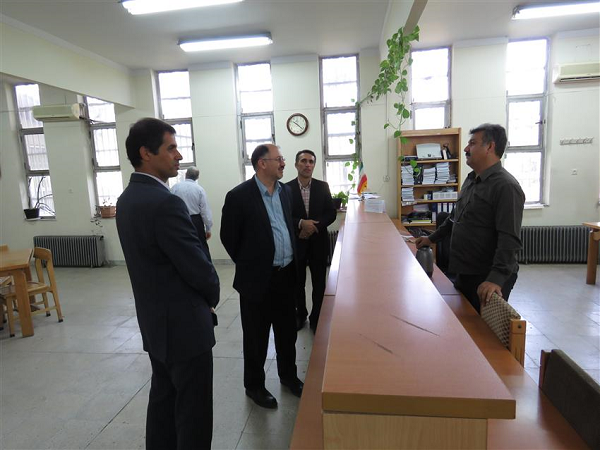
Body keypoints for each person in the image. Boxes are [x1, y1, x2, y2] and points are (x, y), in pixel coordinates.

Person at [116, 118, 220, 449]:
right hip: (185, 327)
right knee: (193, 412)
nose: (179, 155)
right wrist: (212, 294)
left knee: (163, 402)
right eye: (171, 148)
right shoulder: (165, 202)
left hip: (155, 323)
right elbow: (198, 268)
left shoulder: (127, 198)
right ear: (146, 153)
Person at [220, 143, 303, 409]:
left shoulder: (285, 191)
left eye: (283, 158)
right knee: (256, 337)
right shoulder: (239, 196)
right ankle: (254, 386)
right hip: (257, 280)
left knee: (287, 332)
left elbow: (286, 225)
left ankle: (288, 376)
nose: (283, 163)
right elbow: (228, 237)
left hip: (286, 275)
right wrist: (251, 264)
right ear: (262, 163)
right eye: (279, 159)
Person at [415, 123, 525, 314]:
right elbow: (454, 219)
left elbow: (509, 239)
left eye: (472, 143)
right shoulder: (472, 179)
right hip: (465, 270)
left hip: (486, 277)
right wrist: (430, 239)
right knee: (462, 321)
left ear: (490, 147)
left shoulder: (506, 186)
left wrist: (495, 279)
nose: (466, 149)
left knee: (479, 329)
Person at [286, 150, 336, 332]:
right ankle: (300, 315)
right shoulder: (286, 189)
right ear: (296, 164)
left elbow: (330, 213)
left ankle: (317, 317)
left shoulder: (323, 187)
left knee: (319, 283)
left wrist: (313, 227)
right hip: (296, 242)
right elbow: (284, 214)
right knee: (297, 283)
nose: (307, 165)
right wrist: (301, 224)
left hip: (318, 242)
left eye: (311, 161)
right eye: (303, 161)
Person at [171, 166, 213, 259]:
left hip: (179, 220)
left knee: (181, 246)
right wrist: (208, 228)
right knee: (201, 246)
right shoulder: (199, 189)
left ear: (186, 175)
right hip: (195, 221)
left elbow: (170, 206)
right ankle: (204, 266)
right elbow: (205, 211)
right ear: (197, 177)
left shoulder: (175, 188)